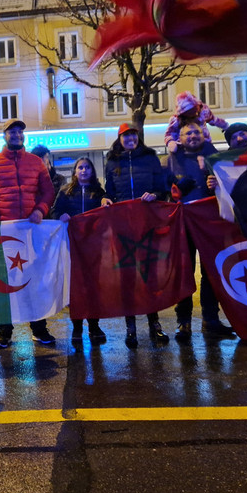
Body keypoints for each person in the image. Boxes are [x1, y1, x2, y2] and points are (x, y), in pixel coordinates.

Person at [0, 120, 57, 348]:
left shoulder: (35, 163)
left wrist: (41, 210)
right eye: (12, 131)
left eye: (21, 131)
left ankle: (39, 329)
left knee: (33, 280)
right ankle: (4, 332)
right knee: (4, 284)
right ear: (5, 135)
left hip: (30, 233)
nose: (17, 135)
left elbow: (48, 192)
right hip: (4, 235)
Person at [101, 123, 170, 347]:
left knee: (149, 275)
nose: (130, 139)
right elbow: (109, 191)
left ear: (138, 137)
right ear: (119, 138)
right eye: (126, 136)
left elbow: (163, 188)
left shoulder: (150, 157)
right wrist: (105, 198)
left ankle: (155, 324)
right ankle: (130, 328)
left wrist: (156, 195)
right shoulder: (112, 160)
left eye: (133, 135)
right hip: (123, 225)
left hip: (147, 222)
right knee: (128, 277)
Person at [167, 122, 235, 340]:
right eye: (188, 133)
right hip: (183, 223)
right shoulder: (169, 160)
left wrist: (217, 183)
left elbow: (230, 183)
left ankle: (211, 320)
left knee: (210, 272)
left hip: (209, 222)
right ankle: (183, 322)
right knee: (185, 271)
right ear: (180, 137)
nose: (193, 136)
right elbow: (161, 189)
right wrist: (173, 192)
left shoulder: (213, 156)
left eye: (197, 132)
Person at [52, 157, 107, 345]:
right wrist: (61, 215)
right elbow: (54, 212)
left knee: (93, 287)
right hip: (72, 246)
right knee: (75, 288)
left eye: (87, 167)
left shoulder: (99, 192)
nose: (83, 170)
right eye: (80, 167)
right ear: (75, 172)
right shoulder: (65, 192)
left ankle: (94, 325)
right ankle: (76, 326)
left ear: (92, 171)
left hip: (93, 247)